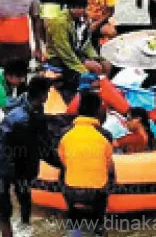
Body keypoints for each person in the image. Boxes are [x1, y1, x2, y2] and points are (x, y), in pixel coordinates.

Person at [0, 76, 62, 237]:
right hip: (5, 165)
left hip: (0, 157)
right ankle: (20, 227)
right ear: (43, 95)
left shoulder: (24, 105)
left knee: (18, 199)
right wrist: (64, 165)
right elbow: (43, 151)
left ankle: (23, 227)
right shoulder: (26, 120)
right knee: (8, 208)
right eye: (48, 92)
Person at [58, 91, 115, 237]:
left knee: (63, 172)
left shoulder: (65, 132)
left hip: (71, 190)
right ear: (98, 111)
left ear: (78, 110)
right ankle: (99, 228)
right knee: (110, 175)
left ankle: (73, 229)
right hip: (97, 192)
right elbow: (108, 164)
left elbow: (63, 161)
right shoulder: (105, 134)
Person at [45, 0, 111, 101]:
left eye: (82, 7)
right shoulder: (60, 23)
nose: (80, 10)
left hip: (76, 52)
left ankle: (101, 90)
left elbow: (86, 44)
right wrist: (83, 68)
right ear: (69, 7)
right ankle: (88, 95)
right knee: (96, 68)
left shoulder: (83, 19)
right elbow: (64, 51)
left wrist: (96, 57)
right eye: (76, 7)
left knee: (107, 65)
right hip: (59, 57)